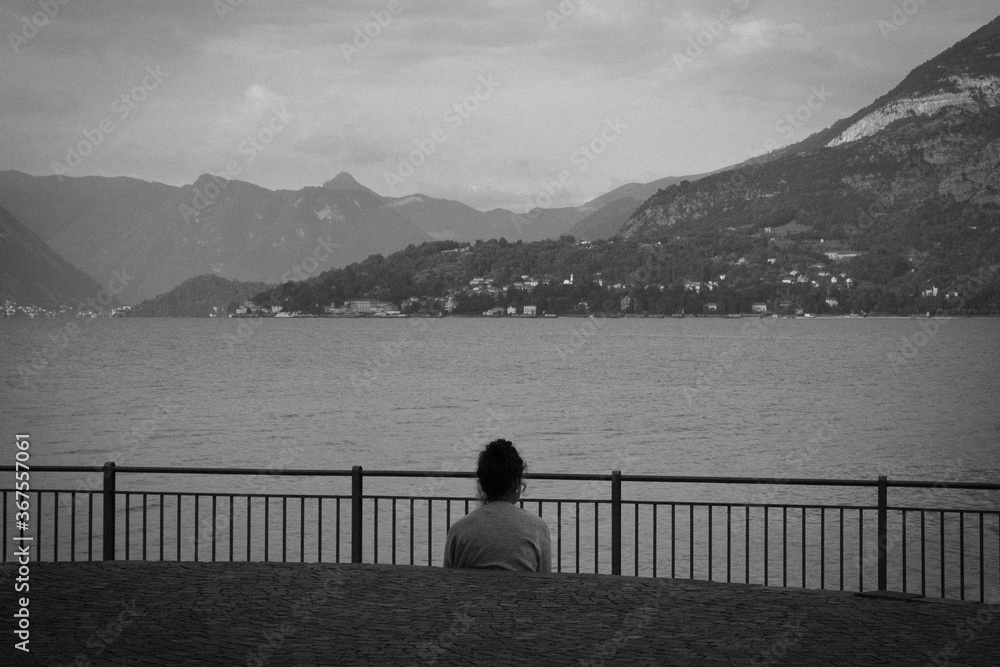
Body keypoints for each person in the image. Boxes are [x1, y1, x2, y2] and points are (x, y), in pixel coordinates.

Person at [443, 439, 552, 573]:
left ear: (482, 485)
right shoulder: (538, 529)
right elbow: (546, 580)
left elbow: (447, 580)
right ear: (517, 484)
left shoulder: (458, 531)